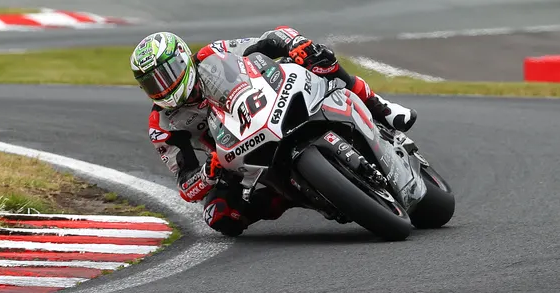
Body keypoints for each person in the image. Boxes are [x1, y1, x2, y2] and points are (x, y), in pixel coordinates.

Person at [131, 28, 418, 237]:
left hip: (270, 105)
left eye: (167, 75)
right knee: (218, 216)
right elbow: (186, 186)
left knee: (318, 58)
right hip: (236, 157)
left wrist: (297, 45)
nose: (163, 87)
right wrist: (210, 171)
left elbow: (270, 39)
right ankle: (290, 195)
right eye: (152, 83)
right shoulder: (163, 123)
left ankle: (381, 107)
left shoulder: (213, 54)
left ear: (183, 59)